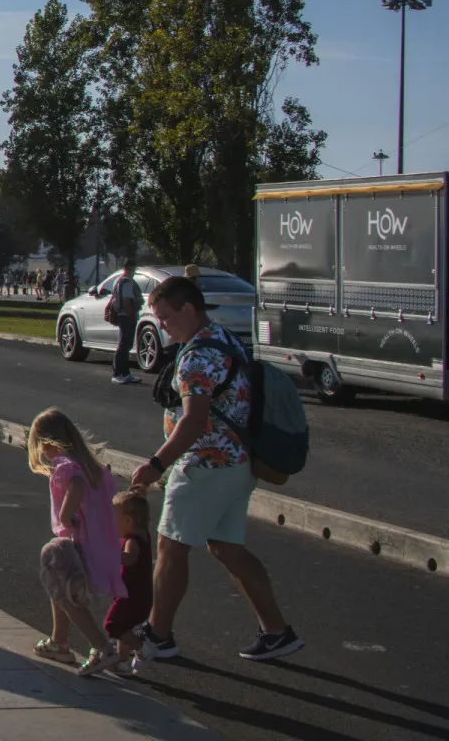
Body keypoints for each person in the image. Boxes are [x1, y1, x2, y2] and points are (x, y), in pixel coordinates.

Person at [129, 276, 301, 662]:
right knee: (226, 547)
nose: (162, 325)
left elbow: (194, 420)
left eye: (167, 316)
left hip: (204, 464)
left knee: (171, 548)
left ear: (189, 309)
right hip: (237, 462)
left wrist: (156, 465)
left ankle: (158, 635)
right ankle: (277, 631)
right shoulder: (223, 338)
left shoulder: (196, 356)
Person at [27, 409, 128, 676]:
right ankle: (58, 641)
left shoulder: (66, 466)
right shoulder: (96, 469)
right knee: (59, 588)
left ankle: (101, 648)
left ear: (47, 443)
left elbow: (76, 485)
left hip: (79, 542)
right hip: (102, 546)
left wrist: (65, 515)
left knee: (69, 596)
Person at [105, 488, 154, 673]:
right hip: (135, 594)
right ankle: (122, 661)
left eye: (114, 520)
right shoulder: (143, 534)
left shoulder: (132, 540)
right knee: (123, 627)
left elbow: (130, 558)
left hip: (132, 596)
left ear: (128, 521)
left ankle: (142, 648)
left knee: (112, 625)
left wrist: (108, 553)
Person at [107, 260, 144, 385]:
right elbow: (127, 300)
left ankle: (125, 372)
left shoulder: (119, 281)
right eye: (134, 269)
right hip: (127, 316)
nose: (134, 272)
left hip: (124, 316)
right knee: (124, 344)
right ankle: (118, 373)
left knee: (126, 344)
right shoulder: (127, 282)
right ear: (129, 268)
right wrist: (130, 315)